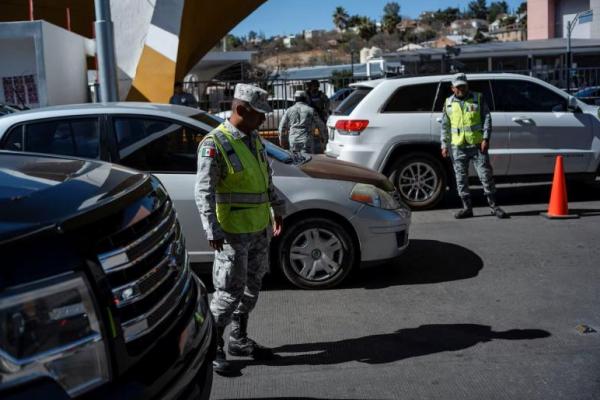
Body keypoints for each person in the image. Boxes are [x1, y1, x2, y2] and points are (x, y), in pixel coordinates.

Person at [194, 83, 285, 375]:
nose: (263, 119)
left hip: (259, 227)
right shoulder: (215, 143)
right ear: (241, 110)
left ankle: (239, 339)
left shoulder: (253, 138)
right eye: (259, 114)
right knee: (227, 293)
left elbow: (265, 179)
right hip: (232, 231)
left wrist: (277, 207)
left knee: (252, 286)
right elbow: (204, 191)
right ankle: (211, 345)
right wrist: (211, 229)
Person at [441, 73, 508, 219]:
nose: (461, 89)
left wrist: (485, 138)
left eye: (463, 86)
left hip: (477, 145)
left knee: (485, 175)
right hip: (458, 146)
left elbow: (487, 119)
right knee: (460, 178)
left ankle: (493, 206)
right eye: (458, 87)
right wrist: (444, 144)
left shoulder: (478, 98)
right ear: (453, 88)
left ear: (467, 85)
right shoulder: (448, 103)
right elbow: (445, 126)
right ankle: (467, 208)